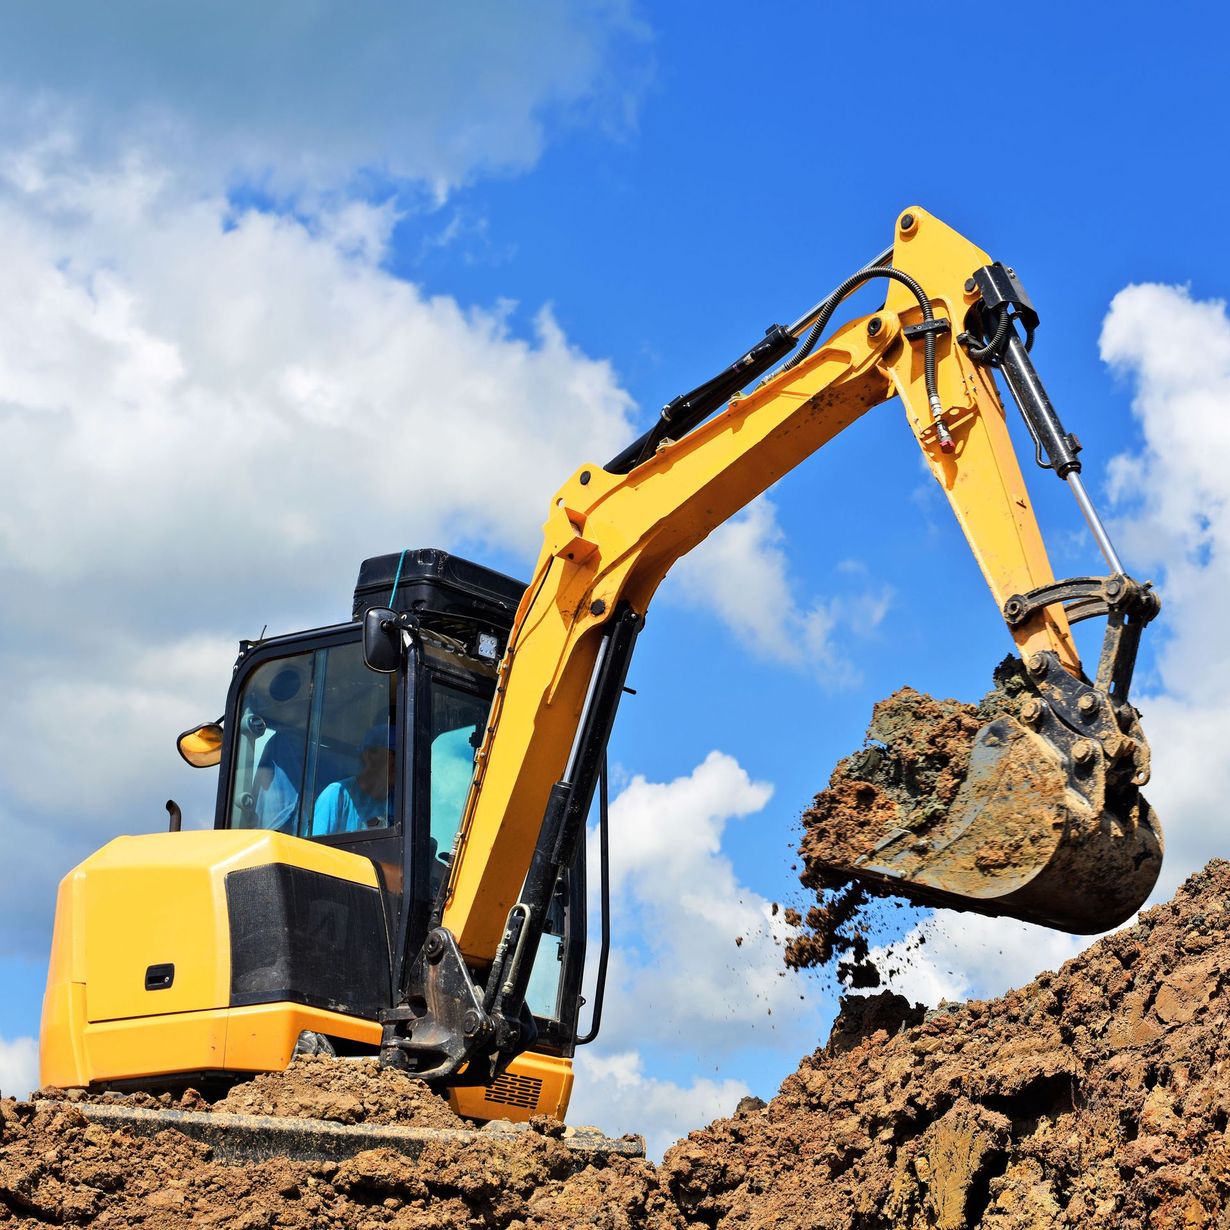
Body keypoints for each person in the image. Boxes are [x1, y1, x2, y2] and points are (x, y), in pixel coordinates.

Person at [312, 724, 395, 835]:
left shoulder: (399, 803)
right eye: (392, 754)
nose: (399, 762)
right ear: (369, 756)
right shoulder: (337, 795)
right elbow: (314, 848)